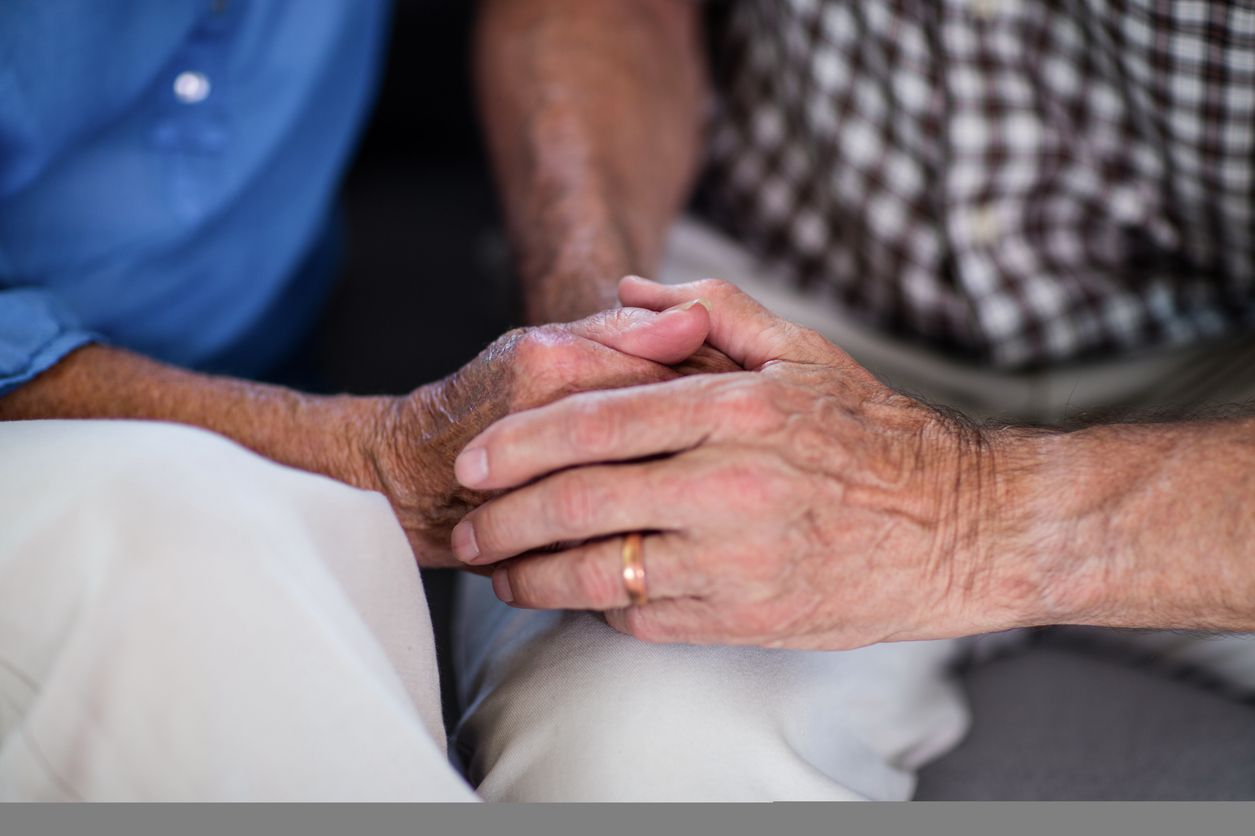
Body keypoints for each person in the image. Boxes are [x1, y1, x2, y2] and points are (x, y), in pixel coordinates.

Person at [449, 0, 1255, 800]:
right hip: (746, 323)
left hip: (1227, 381)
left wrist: (962, 518)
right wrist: (602, 334)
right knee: (620, 762)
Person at [0, 0, 720, 800]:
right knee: (179, 570)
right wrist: (370, 455)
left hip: (276, 372)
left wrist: (594, 330)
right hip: (72, 441)